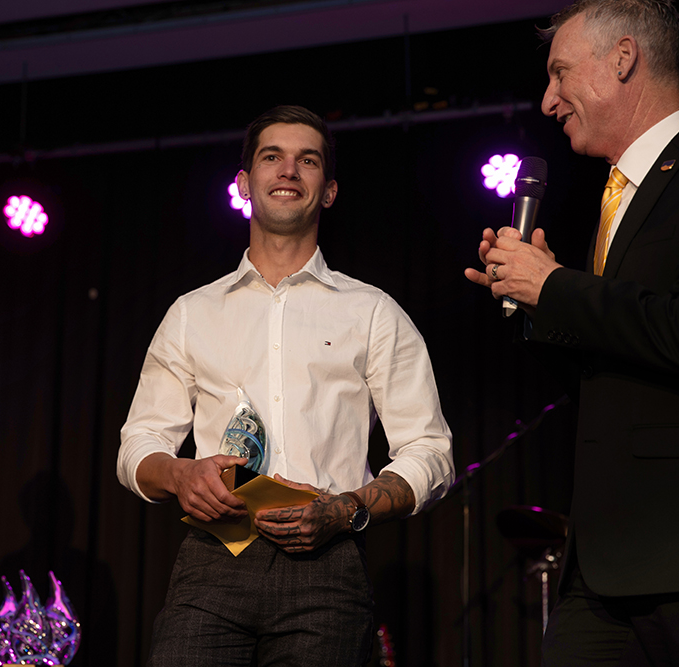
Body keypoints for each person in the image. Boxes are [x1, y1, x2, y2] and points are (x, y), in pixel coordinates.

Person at [118, 105, 454, 666]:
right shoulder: (191, 312)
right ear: (245, 184)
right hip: (213, 558)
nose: (289, 171)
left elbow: (431, 453)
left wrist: (344, 510)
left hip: (327, 565)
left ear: (329, 192)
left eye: (308, 161)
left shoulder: (372, 311)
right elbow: (138, 445)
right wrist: (180, 474)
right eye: (272, 157)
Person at [464, 1, 679, 664]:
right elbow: (610, 372)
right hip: (604, 563)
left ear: (623, 58)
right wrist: (534, 303)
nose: (548, 101)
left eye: (559, 74)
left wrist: (555, 287)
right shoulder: (619, 196)